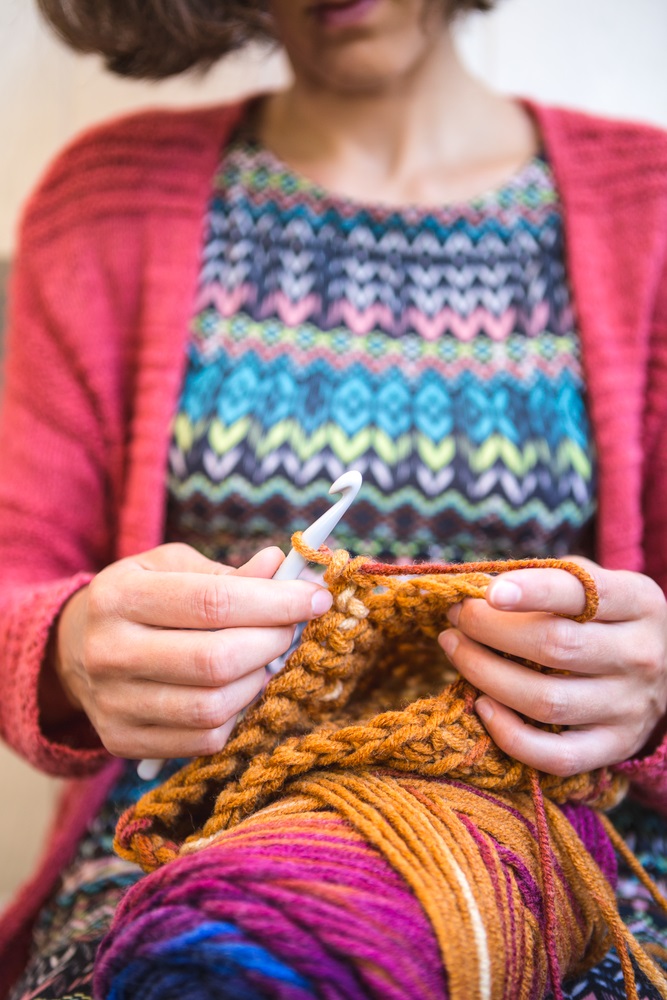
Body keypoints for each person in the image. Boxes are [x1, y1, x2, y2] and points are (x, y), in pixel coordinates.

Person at [0, 0, 666, 996]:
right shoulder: (109, 202)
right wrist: (68, 648)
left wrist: (652, 694)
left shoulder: (650, 206)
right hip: (191, 840)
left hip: (567, 841)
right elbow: (16, 567)